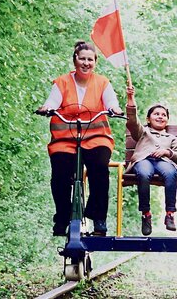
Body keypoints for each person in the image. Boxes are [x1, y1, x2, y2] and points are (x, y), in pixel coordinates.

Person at [36, 40, 123, 237]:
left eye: (90, 60)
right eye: (82, 59)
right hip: (65, 139)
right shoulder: (62, 82)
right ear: (75, 60)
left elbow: (111, 101)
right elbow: (52, 101)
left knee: (99, 168)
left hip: (96, 138)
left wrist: (114, 108)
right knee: (60, 175)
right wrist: (47, 108)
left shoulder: (102, 83)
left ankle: (98, 217)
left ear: (95, 62)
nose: (86, 63)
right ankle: (63, 216)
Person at [125, 86, 177, 236]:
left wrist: (167, 152)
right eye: (156, 114)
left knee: (170, 174)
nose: (160, 116)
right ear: (148, 119)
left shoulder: (171, 138)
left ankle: (170, 214)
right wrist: (131, 98)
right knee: (143, 174)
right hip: (145, 160)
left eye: (163, 115)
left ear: (167, 120)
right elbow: (132, 121)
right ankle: (146, 214)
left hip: (164, 162)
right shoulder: (143, 132)